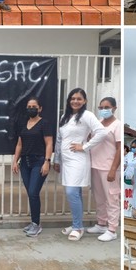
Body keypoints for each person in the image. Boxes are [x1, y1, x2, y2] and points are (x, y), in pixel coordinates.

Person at [52, 88, 109, 241]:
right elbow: (59, 139)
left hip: (78, 160)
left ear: (85, 101)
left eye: (79, 98)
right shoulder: (65, 116)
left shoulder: (87, 115)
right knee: (74, 193)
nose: (75, 101)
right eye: (72, 98)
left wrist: (84, 146)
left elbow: (102, 132)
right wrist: (57, 159)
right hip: (66, 160)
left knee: (71, 192)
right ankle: (77, 223)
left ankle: (78, 227)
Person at [12, 97, 54, 237]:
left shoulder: (44, 123)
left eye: (34, 106)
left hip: (39, 162)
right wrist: (15, 161)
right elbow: (19, 144)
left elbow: (49, 143)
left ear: (40, 108)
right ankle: (33, 222)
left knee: (33, 192)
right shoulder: (24, 123)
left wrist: (47, 161)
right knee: (31, 194)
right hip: (25, 163)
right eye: (29, 106)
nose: (31, 108)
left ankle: (36, 224)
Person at [88, 97, 120, 241]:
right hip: (95, 165)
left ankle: (112, 229)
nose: (103, 110)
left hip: (108, 167)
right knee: (99, 197)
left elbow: (119, 149)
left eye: (106, 107)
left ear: (114, 108)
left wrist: (113, 169)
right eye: (101, 107)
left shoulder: (117, 125)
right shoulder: (99, 125)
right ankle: (101, 223)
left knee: (111, 198)